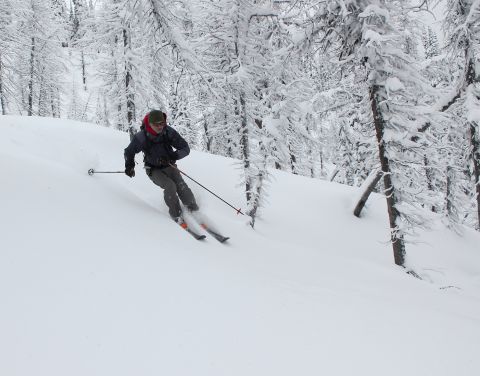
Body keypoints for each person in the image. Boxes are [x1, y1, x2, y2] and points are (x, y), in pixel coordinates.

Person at [124, 110, 199, 221]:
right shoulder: (141, 137)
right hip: (153, 169)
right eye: (156, 124)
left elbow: (185, 148)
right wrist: (129, 166)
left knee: (180, 185)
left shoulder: (168, 132)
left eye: (162, 123)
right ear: (150, 124)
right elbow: (129, 151)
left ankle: (194, 211)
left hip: (170, 165)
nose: (160, 127)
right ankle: (177, 215)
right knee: (170, 186)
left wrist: (172, 156)